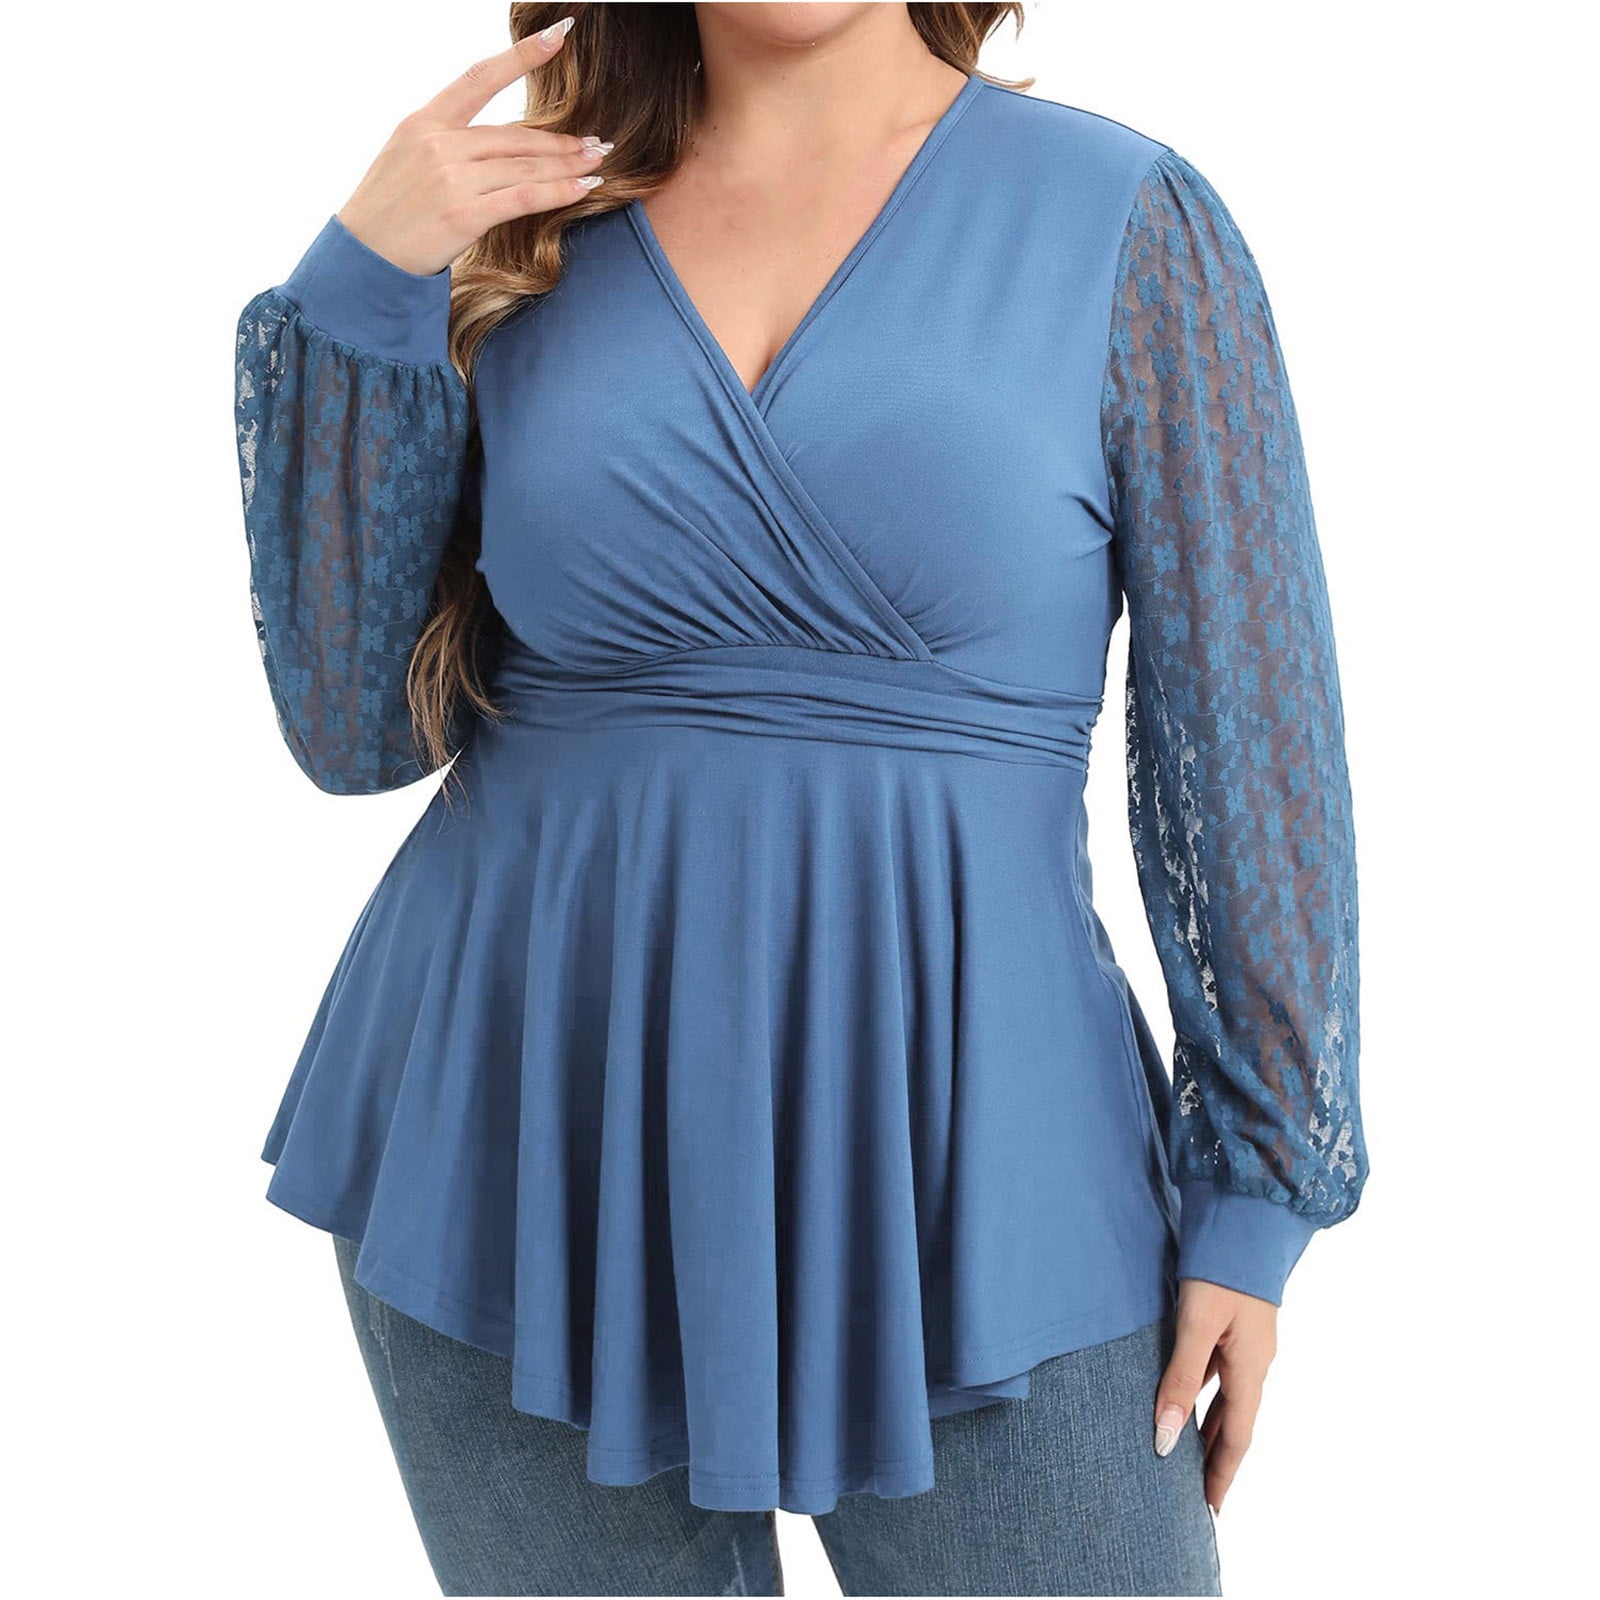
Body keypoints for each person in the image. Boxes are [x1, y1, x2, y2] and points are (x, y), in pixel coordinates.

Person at [231, 4, 1369, 1594]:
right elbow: (351, 727)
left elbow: (1249, 733)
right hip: (517, 1135)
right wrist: (370, 274)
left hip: (986, 1156)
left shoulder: (1124, 221)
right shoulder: (525, 227)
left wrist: (1256, 1194)